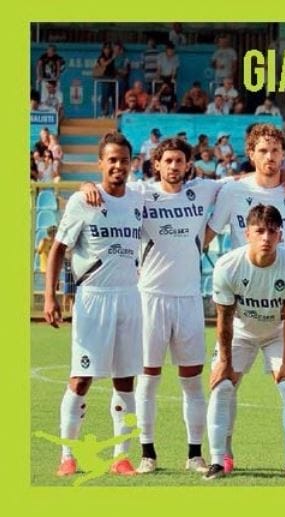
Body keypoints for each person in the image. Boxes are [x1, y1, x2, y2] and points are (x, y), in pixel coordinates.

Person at [80, 138, 227, 475]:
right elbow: (105, 185)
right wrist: (86, 184)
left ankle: (194, 454)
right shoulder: (140, 193)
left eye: (180, 161)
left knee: (192, 381)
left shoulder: (203, 190)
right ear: (156, 164)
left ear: (188, 165)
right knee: (148, 380)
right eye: (168, 161)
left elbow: (242, 182)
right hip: (149, 298)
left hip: (189, 300)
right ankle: (147, 453)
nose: (174, 166)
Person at [205, 124, 285, 477]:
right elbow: (206, 232)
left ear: (284, 155)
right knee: (223, 383)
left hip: (282, 310)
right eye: (263, 151)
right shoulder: (232, 191)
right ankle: (221, 456)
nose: (270, 157)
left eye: (276, 151)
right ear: (251, 154)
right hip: (243, 311)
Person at [43, 132, 144, 477]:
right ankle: (67, 456)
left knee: (125, 379)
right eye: (111, 160)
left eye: (124, 160)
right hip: (93, 298)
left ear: (131, 164)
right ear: (100, 163)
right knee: (82, 377)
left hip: (129, 297)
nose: (118, 166)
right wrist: (51, 296)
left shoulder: (139, 199)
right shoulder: (83, 200)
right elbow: (58, 249)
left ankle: (121, 457)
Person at [204, 204, 285, 480]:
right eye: (260, 231)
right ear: (247, 233)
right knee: (222, 386)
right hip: (241, 331)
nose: (266, 238)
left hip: (277, 332)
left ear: (280, 236)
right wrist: (224, 362)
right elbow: (224, 318)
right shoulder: (228, 266)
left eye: (272, 232)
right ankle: (218, 460)